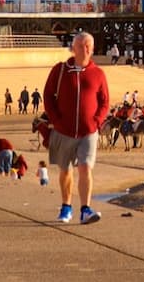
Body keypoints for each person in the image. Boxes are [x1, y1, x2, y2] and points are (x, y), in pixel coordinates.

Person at [43, 31, 111, 224]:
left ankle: (85, 209)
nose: (85, 49)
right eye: (81, 45)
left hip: (88, 131)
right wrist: (56, 120)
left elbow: (105, 102)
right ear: (73, 48)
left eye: (88, 45)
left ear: (93, 48)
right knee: (65, 171)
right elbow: (48, 95)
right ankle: (66, 207)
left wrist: (96, 121)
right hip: (62, 130)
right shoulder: (60, 70)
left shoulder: (98, 73)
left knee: (85, 168)